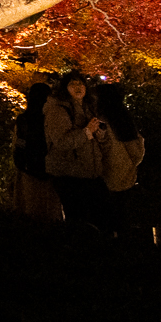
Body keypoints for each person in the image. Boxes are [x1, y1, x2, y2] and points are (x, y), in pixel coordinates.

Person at [43, 72, 111, 231]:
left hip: (90, 172)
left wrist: (99, 134)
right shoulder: (58, 110)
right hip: (69, 174)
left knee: (98, 219)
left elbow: (94, 139)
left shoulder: (88, 108)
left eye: (80, 84)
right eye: (72, 84)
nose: (78, 87)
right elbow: (61, 141)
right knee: (78, 221)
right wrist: (87, 132)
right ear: (64, 88)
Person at [94, 83, 144, 237]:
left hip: (107, 173)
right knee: (124, 215)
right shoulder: (123, 119)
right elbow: (137, 151)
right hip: (126, 173)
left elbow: (102, 147)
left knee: (107, 216)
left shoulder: (100, 120)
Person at [11, 83, 63, 221]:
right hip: (50, 168)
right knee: (49, 209)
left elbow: (19, 143)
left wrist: (20, 162)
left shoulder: (24, 119)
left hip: (28, 167)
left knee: (31, 208)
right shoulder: (53, 118)